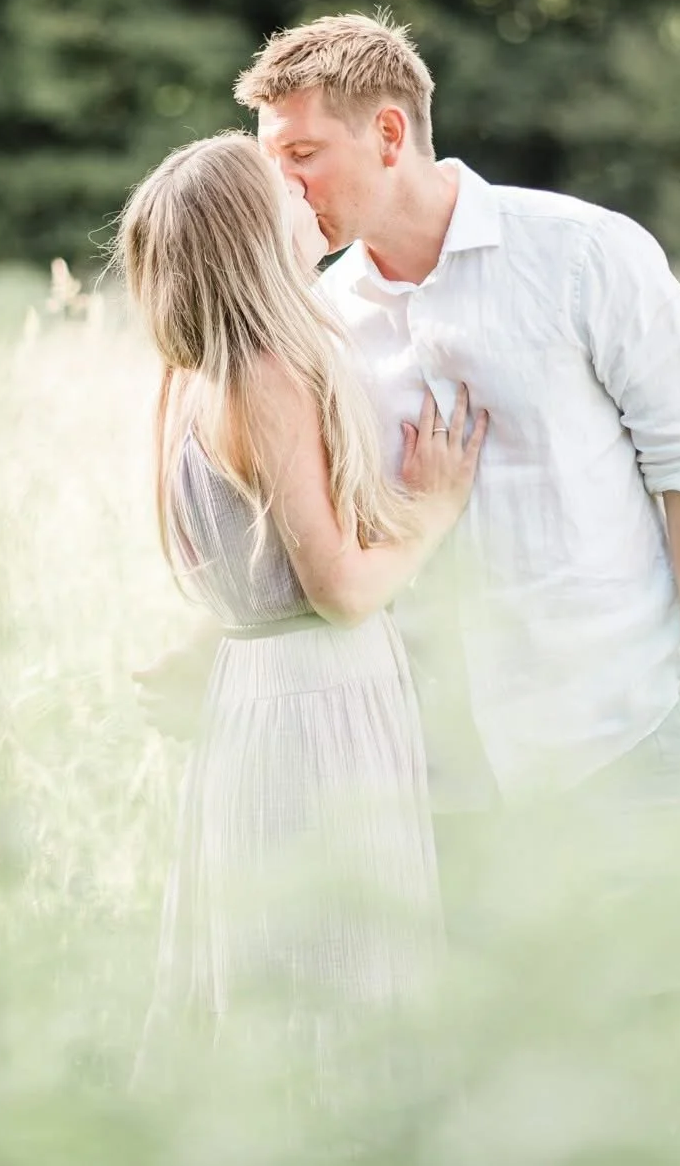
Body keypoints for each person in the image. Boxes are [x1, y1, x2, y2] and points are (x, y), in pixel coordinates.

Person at [146, 11, 680, 948]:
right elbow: (304, 530)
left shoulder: (585, 255)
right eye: (271, 162)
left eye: (303, 152)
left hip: (621, 743)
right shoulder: (312, 322)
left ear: (389, 135)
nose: (285, 187)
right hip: (432, 788)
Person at [113, 131, 489, 1086]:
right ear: (251, 232)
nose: (301, 188)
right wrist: (436, 509)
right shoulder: (270, 371)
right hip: (322, 706)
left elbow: (258, 573)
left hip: (257, 703)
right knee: (341, 981)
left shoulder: (187, 376)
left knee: (274, 983)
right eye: (280, 180)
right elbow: (339, 588)